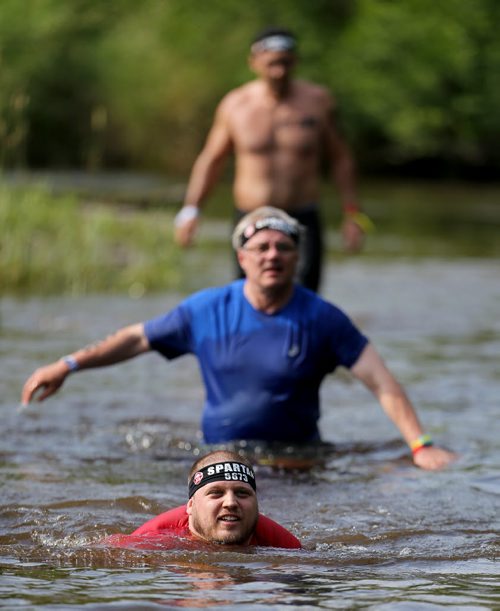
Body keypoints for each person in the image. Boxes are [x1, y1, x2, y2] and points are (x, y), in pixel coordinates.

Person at [21, 207, 456, 471]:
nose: (272, 256)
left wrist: (421, 445)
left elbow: (381, 382)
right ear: (241, 256)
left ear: (297, 257)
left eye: (283, 247)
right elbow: (136, 339)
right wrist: (68, 364)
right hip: (220, 457)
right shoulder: (205, 310)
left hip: (297, 460)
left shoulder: (323, 318)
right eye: (262, 247)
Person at [174, 26, 371, 292]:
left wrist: (352, 214)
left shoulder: (318, 101)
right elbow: (212, 159)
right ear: (253, 62)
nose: (279, 71)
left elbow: (341, 158)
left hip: (302, 217)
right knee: (249, 297)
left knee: (305, 299)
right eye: (272, 64)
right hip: (251, 217)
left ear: (296, 62)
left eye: (286, 63)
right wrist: (191, 210)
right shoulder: (236, 105)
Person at [104, 450, 301, 549]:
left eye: (242, 493)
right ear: (190, 506)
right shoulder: (153, 539)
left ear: (257, 504)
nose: (231, 503)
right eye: (216, 493)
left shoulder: (284, 546)